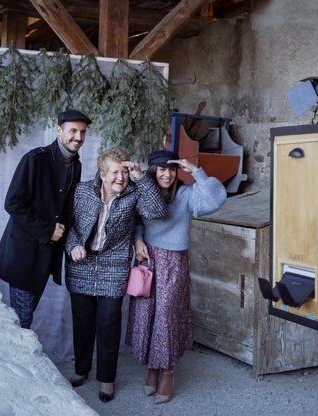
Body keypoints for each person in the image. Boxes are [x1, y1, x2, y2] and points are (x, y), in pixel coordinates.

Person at [65, 148, 167, 403]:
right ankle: (81, 368)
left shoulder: (133, 194)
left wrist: (140, 177)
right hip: (81, 264)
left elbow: (158, 211)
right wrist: (73, 245)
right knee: (83, 323)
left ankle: (107, 378)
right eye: (115, 172)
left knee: (108, 324)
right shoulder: (82, 191)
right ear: (102, 174)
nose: (120, 177)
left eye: (124, 171)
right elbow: (69, 226)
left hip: (114, 265)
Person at [126, 149, 227, 404]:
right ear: (152, 170)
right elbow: (136, 219)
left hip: (174, 261)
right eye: (161, 169)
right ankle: (152, 366)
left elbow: (216, 201)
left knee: (167, 317)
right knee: (147, 314)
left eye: (171, 169)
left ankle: (167, 371)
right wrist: (138, 240)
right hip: (148, 258)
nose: (167, 174)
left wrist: (197, 172)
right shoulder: (144, 190)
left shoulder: (185, 193)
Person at [0, 109, 91, 329]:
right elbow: (13, 203)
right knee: (22, 321)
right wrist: (48, 230)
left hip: (46, 257)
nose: (78, 137)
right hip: (24, 256)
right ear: (59, 131)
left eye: (83, 132)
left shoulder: (76, 165)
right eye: (73, 131)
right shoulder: (35, 159)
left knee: (25, 317)